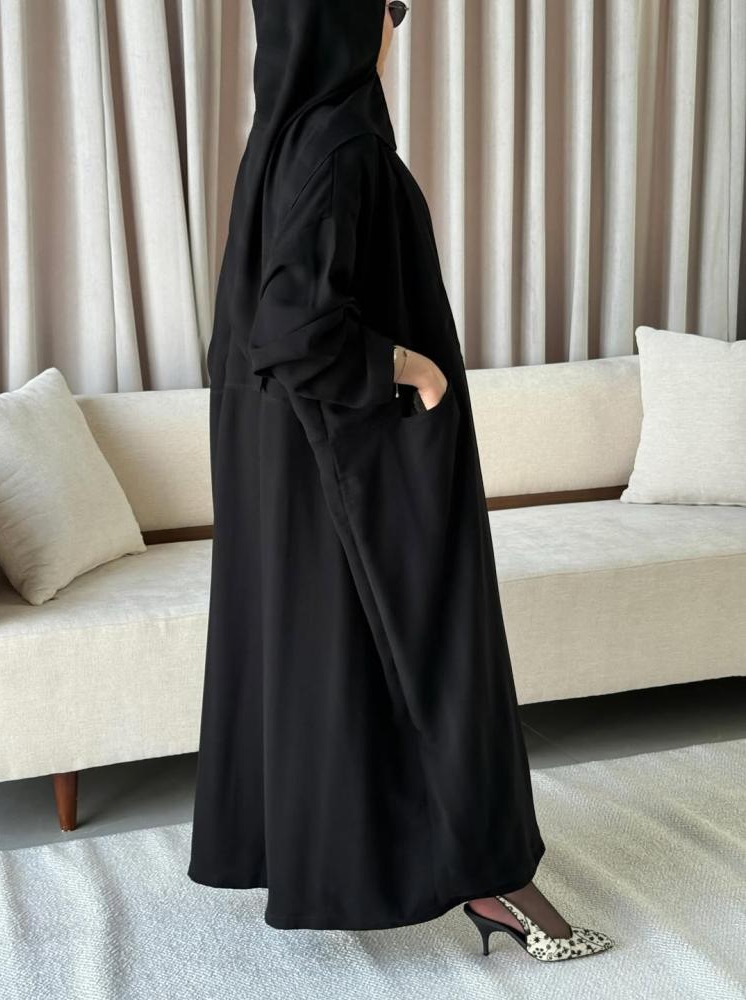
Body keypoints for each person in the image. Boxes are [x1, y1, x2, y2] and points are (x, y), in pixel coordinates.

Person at [187, 0, 614, 963]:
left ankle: (398, 865)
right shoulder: (342, 144)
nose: (396, 25)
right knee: (441, 655)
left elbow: (258, 335)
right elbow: (292, 332)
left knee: (340, 666)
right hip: (359, 470)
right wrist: (412, 371)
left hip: (303, 478)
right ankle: (494, 879)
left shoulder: (281, 142)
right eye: (391, 6)